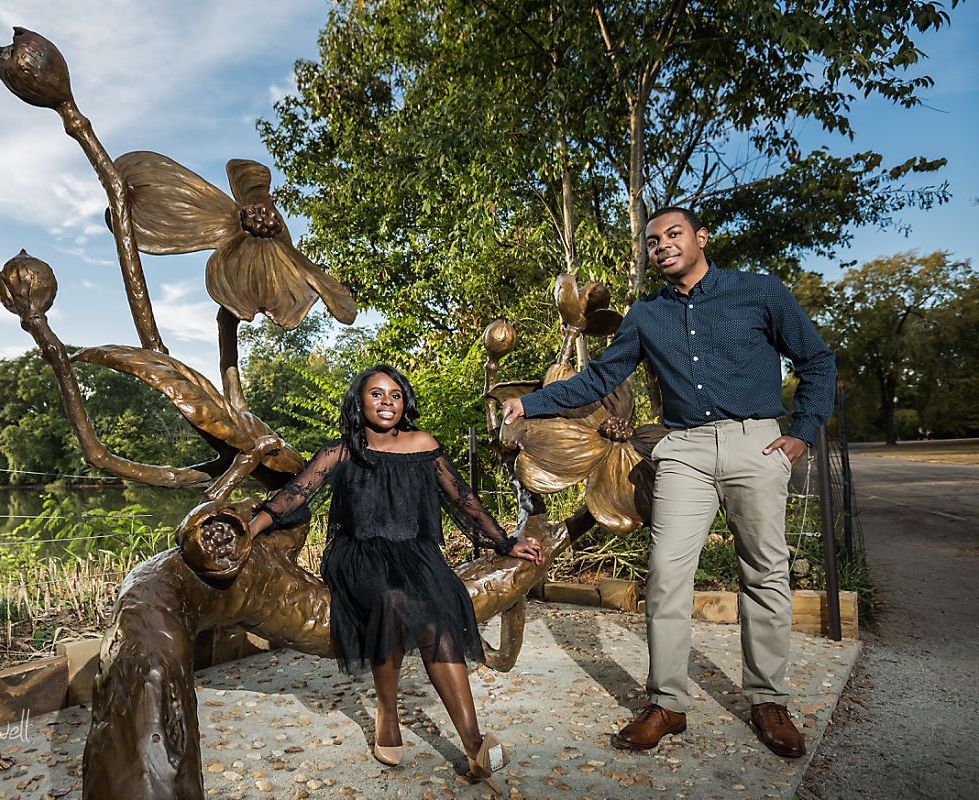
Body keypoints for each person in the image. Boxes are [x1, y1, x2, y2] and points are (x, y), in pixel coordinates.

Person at [502, 207, 835, 759]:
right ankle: (667, 704)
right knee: (666, 576)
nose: (662, 246)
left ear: (701, 238)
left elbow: (817, 360)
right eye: (653, 241)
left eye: (673, 234)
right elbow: (601, 377)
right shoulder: (646, 315)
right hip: (684, 450)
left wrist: (801, 432)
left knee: (765, 574)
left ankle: (768, 700)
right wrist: (530, 403)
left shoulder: (760, 292)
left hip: (756, 442)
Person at [248, 365, 542, 791]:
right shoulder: (341, 452)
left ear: (404, 402)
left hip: (414, 554)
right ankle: (387, 711)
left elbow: (462, 498)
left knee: (437, 613)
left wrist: (504, 542)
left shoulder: (423, 445)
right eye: (376, 394)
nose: (387, 401)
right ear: (359, 401)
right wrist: (249, 529)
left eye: (395, 394)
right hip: (358, 554)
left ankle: (474, 743)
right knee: (392, 599)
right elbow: (294, 495)